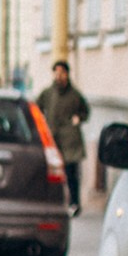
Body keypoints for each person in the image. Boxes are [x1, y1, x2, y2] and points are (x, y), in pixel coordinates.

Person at [36, 59, 90, 215]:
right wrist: (41, 123)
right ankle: (52, 201)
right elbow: (36, 108)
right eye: (56, 73)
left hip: (70, 140)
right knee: (51, 172)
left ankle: (74, 203)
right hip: (52, 138)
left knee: (71, 173)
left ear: (67, 74)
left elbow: (85, 112)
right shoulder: (48, 93)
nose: (59, 76)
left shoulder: (74, 95)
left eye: (62, 73)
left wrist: (78, 118)